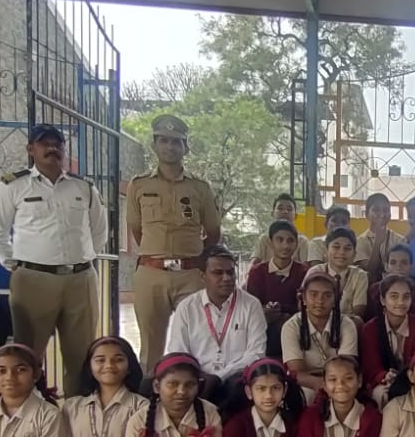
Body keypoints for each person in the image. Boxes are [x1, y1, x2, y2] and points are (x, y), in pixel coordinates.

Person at [0, 124, 107, 398]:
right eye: (45, 144)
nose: (52, 149)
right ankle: (30, 409)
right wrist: (16, 264)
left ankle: (77, 409)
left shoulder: (83, 187)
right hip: (33, 280)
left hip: (80, 279)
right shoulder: (13, 185)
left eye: (57, 144)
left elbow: (99, 231)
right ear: (31, 149)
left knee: (81, 355)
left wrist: (83, 257)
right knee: (28, 355)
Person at [127, 114, 221, 370]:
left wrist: (196, 260)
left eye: (176, 142)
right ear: (154, 145)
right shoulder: (139, 185)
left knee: (197, 341)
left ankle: (197, 390)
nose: (170, 147)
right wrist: (156, 255)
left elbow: (213, 232)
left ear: (185, 148)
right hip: (152, 272)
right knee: (151, 347)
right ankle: (152, 391)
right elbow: (136, 229)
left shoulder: (200, 188)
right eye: (164, 140)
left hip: (190, 273)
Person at [165, 247, 269, 398]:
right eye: (218, 273)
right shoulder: (187, 307)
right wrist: (198, 377)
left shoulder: (251, 305)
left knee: (236, 388)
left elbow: (256, 354)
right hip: (196, 379)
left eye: (230, 272)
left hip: (235, 380)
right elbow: (178, 351)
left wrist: (220, 376)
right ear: (203, 276)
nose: (226, 278)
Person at [61, 336, 144, 437]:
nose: (109, 365)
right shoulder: (71, 406)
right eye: (100, 360)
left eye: (118, 360)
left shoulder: (142, 406)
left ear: (130, 367)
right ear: (89, 367)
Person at [281, 273, 359, 400]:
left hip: (339, 379)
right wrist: (322, 385)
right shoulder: (291, 326)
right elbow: (297, 372)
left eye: (327, 295)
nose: (320, 301)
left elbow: (346, 367)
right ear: (303, 298)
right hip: (307, 381)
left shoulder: (346, 324)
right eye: (313, 294)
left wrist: (333, 385)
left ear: (335, 300)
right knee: (306, 395)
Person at [244, 221, 310, 354]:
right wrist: (265, 311)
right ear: (270, 242)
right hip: (262, 323)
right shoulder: (257, 272)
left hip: (292, 325)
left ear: (296, 244)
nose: (285, 245)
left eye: (290, 241)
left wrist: (281, 309)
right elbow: (252, 303)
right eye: (279, 240)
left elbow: (304, 305)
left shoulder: (304, 272)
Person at [308, 228, 369, 319]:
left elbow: (359, 312)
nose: (342, 252)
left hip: (346, 323)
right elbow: (306, 305)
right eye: (336, 247)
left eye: (347, 248)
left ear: (354, 254)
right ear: (326, 251)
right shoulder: (315, 272)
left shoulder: (360, 275)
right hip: (317, 320)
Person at [251, 194, 311, 266]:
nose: (285, 212)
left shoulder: (302, 241)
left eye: (289, 209)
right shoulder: (264, 239)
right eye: (280, 208)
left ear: (296, 215)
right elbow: (254, 263)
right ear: (272, 213)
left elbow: (306, 267)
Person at [355, 193, 403, 282]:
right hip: (368, 287)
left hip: (394, 285)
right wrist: (377, 243)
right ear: (366, 214)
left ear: (390, 215)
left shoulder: (399, 240)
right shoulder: (359, 242)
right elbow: (368, 271)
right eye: (376, 210)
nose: (382, 214)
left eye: (386, 210)